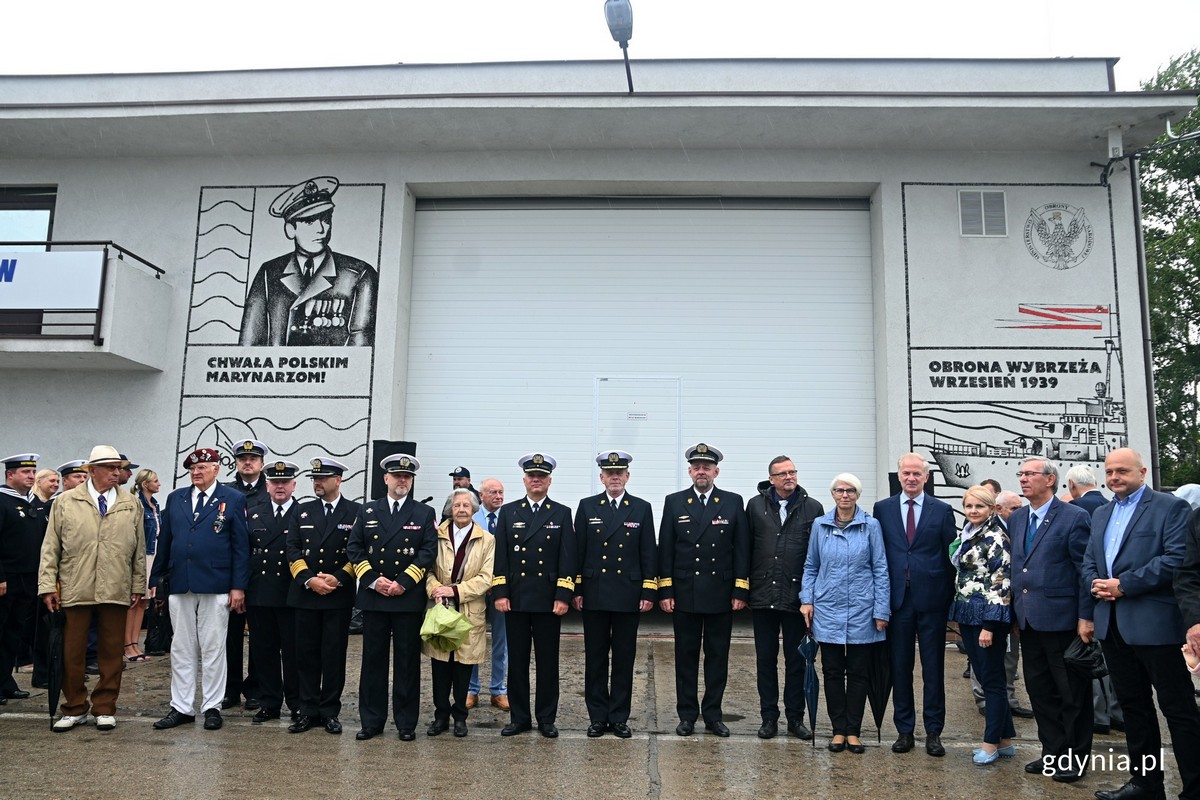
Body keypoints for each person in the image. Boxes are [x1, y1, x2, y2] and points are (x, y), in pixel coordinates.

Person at [1084, 448, 1200, 800]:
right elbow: (1091, 559)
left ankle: (1194, 789)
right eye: (1109, 471)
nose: (1115, 477)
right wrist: (1095, 583)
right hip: (1113, 626)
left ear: (1142, 472)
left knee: (1178, 711)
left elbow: (1177, 559)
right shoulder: (1102, 513)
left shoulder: (1170, 508)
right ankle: (1146, 785)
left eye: (1123, 471)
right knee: (1134, 709)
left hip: (1155, 625)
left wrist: (1125, 584)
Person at [38, 446, 145, 732]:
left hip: (115, 585)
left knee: (111, 651)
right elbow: (51, 547)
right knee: (71, 651)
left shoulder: (130, 503)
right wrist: (48, 585)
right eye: (110, 467)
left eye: (118, 468)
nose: (116, 472)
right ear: (92, 470)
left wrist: (138, 585)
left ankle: (105, 707)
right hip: (76, 585)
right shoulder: (66, 502)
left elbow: (139, 550)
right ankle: (74, 707)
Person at [150, 448, 250, 732]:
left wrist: (238, 586)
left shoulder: (233, 499)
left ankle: (211, 706)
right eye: (193, 469)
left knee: (213, 647)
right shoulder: (176, 498)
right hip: (181, 582)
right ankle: (181, 706)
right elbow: (165, 542)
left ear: (217, 469)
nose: (196, 472)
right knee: (181, 647)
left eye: (203, 467)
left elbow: (241, 547)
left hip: (216, 583)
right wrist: (156, 581)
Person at [1009, 456, 1095, 782]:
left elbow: (1084, 570)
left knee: (1071, 694)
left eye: (1031, 474)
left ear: (1050, 479)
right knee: (1041, 693)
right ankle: (1052, 753)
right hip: (1029, 622)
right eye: (1022, 474)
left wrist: (1086, 617)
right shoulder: (1017, 519)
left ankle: (1075, 758)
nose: (1024, 478)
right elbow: (1019, 569)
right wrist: (1014, 614)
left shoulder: (1074, 517)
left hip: (1064, 622)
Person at [658, 443, 750, 738]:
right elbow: (666, 550)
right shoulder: (674, 502)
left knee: (717, 657)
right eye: (696, 467)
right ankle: (687, 715)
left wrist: (740, 589)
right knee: (685, 657)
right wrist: (666, 590)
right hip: (685, 593)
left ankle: (713, 715)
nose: (701, 471)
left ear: (716, 471)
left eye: (706, 467)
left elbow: (742, 549)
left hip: (720, 594)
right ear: (690, 471)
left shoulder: (733, 502)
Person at [346, 453, 437, 741]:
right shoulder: (368, 511)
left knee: (407, 661)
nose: (402, 480)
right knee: (373, 660)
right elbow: (355, 548)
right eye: (397, 476)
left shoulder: (424, 513)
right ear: (385, 478)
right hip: (375, 597)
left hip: (406, 598)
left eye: (407, 477)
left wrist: (403, 582)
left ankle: (406, 722)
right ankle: (371, 721)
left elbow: (427, 552)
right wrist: (374, 580)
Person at [799, 473, 889, 754]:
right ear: (834, 494)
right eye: (840, 490)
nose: (845, 495)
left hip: (863, 609)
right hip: (828, 609)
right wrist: (807, 599)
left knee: (860, 673)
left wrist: (881, 608)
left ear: (858, 495)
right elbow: (811, 565)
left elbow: (880, 569)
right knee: (833, 671)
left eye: (850, 490)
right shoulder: (820, 526)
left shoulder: (871, 526)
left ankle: (854, 731)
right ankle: (838, 730)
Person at [874, 453, 956, 756]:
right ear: (898, 476)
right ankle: (904, 730)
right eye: (906, 473)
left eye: (916, 474)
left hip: (932, 600)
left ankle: (934, 731)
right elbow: (878, 554)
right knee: (900, 668)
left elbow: (951, 558)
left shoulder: (943, 510)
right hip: (897, 602)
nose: (911, 478)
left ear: (926, 477)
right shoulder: (882, 509)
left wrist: (946, 597)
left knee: (933, 668)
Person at [573, 450, 657, 739]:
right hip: (595, 593)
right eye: (609, 474)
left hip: (628, 594)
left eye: (619, 473)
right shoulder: (587, 507)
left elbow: (649, 552)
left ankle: (619, 717)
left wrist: (648, 589)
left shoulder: (641, 508)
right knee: (595, 659)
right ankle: (598, 717)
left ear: (627, 477)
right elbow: (578, 552)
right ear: (601, 477)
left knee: (624, 658)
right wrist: (578, 589)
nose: (615, 477)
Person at [492, 453, 576, 738]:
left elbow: (568, 558)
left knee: (547, 661)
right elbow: (500, 556)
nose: (536, 480)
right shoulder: (510, 511)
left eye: (541, 476)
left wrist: (564, 595)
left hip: (548, 600)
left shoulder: (562, 513)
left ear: (549, 481)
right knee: (517, 660)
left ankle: (546, 718)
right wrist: (500, 592)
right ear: (524, 480)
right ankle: (519, 718)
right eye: (532, 476)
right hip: (515, 598)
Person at [238, 176, 378, 347]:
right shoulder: (270, 272)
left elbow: (361, 349)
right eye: (310, 221)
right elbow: (249, 344)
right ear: (291, 230)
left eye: (326, 219)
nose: (321, 229)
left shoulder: (358, 274)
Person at [746, 455, 822, 740]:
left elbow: (817, 556)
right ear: (772, 478)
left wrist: (811, 597)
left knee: (796, 660)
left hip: (796, 598)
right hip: (763, 596)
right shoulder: (755, 506)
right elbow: (746, 548)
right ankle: (769, 718)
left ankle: (795, 718)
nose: (789, 477)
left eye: (793, 472)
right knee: (765, 660)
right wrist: (743, 590)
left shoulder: (812, 508)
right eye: (783, 474)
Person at [286, 456, 361, 735]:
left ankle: (329, 711)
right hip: (306, 594)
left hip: (336, 595)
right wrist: (309, 580)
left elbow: (358, 550)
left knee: (333, 656)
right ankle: (307, 711)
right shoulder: (302, 511)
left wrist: (340, 577)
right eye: (314, 479)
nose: (317, 483)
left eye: (322, 479)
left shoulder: (355, 511)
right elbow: (292, 549)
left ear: (337, 480)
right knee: (305, 655)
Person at [948, 485, 1015, 765]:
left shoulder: (995, 536)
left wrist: (989, 625)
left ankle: (990, 745)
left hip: (988, 617)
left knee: (992, 681)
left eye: (979, 506)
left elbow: (1001, 582)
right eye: (969, 506)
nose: (973, 511)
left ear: (991, 509)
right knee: (986, 676)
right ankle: (1006, 740)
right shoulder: (968, 532)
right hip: (968, 613)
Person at [423, 488, 495, 738]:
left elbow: (487, 578)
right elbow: (427, 570)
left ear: (474, 509)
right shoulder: (437, 535)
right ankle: (440, 715)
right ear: (450, 510)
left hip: (469, 609)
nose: (462, 509)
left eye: (466, 505)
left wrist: (455, 591)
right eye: (457, 506)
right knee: (440, 665)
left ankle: (460, 717)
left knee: (464, 666)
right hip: (440, 609)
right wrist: (436, 589)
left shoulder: (486, 539)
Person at [245, 460, 303, 723]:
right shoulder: (252, 512)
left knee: (293, 652)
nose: (280, 487)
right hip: (260, 592)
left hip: (291, 593)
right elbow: (244, 552)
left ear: (293, 485)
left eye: (285, 482)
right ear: (266, 485)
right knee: (263, 650)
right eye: (275, 482)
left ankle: (296, 702)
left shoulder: (305, 514)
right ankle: (269, 702)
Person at [1068, 465, 1123, 736]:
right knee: (1114, 662)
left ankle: (1099, 716)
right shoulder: (1108, 506)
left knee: (1091, 659)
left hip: (1093, 596)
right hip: (1117, 595)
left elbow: (1083, 564)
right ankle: (1117, 713)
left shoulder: (1077, 511)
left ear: (1071, 486)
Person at [967, 487, 1031, 718]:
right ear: (999, 508)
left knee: (1008, 659)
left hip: (1006, 609)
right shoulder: (976, 533)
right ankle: (988, 704)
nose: (1018, 511)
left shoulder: (1008, 532)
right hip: (986, 611)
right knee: (987, 664)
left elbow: (1006, 575)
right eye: (1014, 508)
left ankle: (1007, 704)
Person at [223, 438, 269, 710]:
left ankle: (255, 689)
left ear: (262, 463)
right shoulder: (225, 492)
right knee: (229, 636)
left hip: (261, 574)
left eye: (252, 459)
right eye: (242, 459)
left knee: (260, 637)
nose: (247, 462)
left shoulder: (271, 490)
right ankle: (230, 689)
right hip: (230, 575)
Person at [1, 453, 45, 705]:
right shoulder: (2, 500)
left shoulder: (33, 502)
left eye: (33, 472)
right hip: (7, 578)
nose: (31, 476)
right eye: (25, 472)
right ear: (10, 475)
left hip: (29, 577)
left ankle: (6, 680)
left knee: (15, 633)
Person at [467, 477, 508, 711]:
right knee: (473, 638)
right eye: (493, 492)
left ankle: (498, 690)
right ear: (481, 496)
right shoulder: (470, 518)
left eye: (501, 492)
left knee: (502, 641)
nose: (498, 496)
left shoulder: (510, 517)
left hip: (501, 590)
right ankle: (471, 689)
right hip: (475, 590)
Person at [124, 468, 161, 663]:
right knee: (134, 601)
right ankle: (127, 644)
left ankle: (136, 642)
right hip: (141, 555)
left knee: (145, 602)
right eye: (155, 481)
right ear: (145, 484)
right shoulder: (136, 503)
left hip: (153, 555)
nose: (159, 484)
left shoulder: (154, 504)